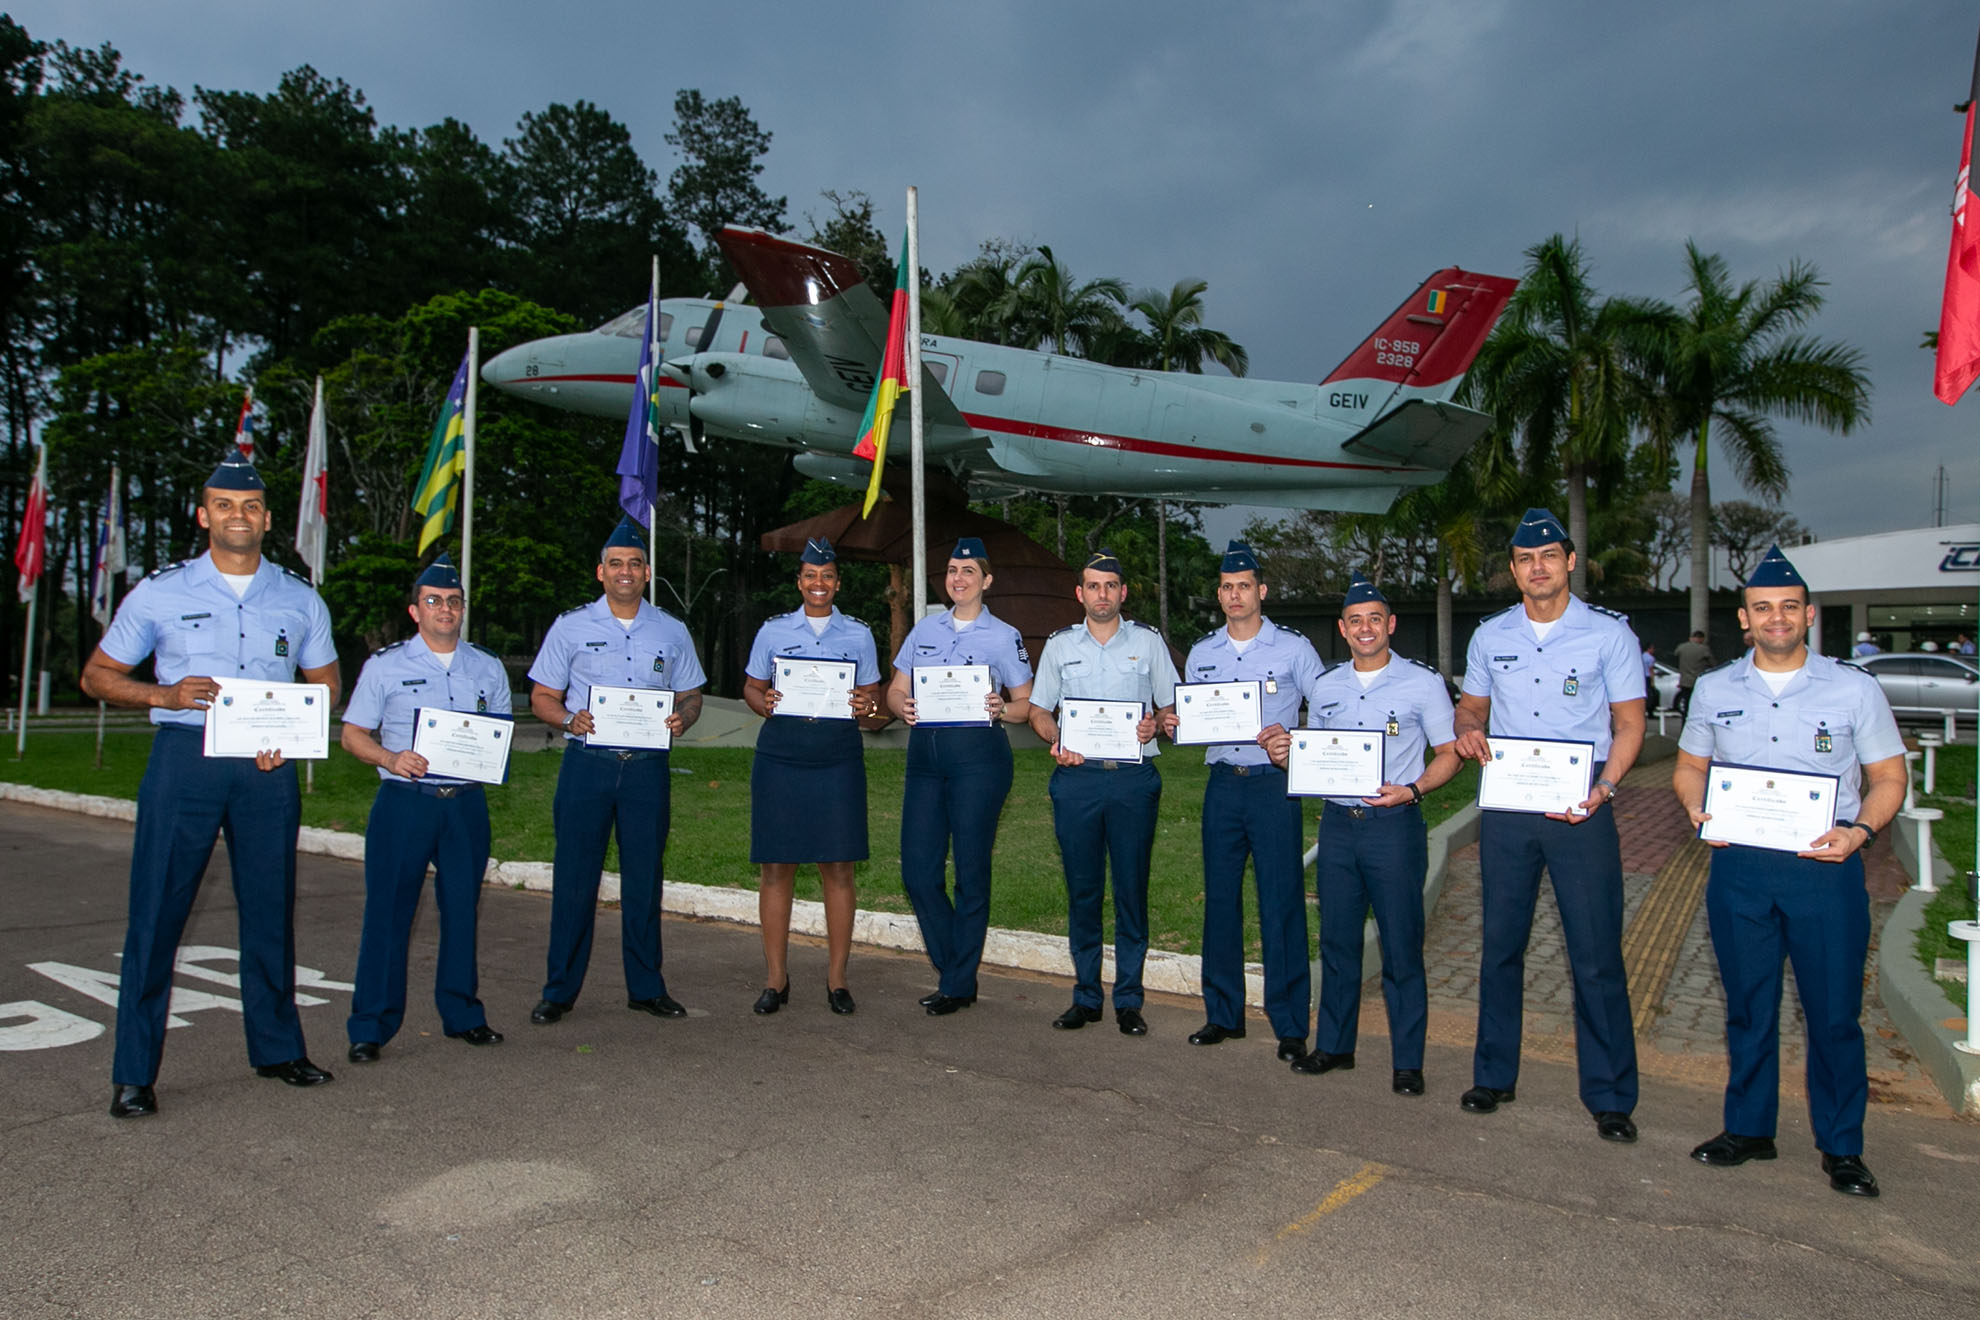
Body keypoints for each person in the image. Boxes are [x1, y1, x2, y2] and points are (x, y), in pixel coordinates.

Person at [81, 451, 342, 1119]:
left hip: (266, 768)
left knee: (269, 912)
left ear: (267, 519)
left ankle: (278, 1049)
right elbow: (97, 676)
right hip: (184, 761)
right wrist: (163, 692)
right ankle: (134, 1074)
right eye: (224, 505)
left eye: (250, 506)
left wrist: (298, 732)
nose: (238, 516)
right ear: (204, 515)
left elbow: (327, 684)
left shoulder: (298, 596)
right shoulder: (161, 592)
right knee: (156, 917)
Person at [1673, 545, 1905, 1198]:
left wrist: (1860, 832)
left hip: (1824, 873)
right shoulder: (1717, 689)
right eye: (1762, 608)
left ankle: (1843, 1147)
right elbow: (1690, 765)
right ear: (1745, 620)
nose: (1776, 618)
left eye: (1789, 607)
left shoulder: (1853, 688)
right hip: (1739, 870)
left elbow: (1889, 777)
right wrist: (1697, 808)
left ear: (1808, 615)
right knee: (1748, 1008)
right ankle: (1748, 1129)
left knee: (1833, 1014)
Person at [1452, 508, 1645, 1143]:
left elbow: (1628, 723)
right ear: (1514, 570)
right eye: (1526, 560)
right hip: (1508, 810)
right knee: (1501, 946)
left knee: (1594, 953)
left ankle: (1611, 1096)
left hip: (1579, 809)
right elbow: (1471, 709)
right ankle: (1493, 1074)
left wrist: (1607, 787)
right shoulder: (1490, 636)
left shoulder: (1607, 635)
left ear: (1568, 562)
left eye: (1550, 557)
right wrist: (1468, 731)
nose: (1539, 568)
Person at [1265, 572, 1460, 1095]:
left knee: (1401, 945)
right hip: (1338, 828)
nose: (1366, 628)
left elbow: (1450, 755)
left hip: (1393, 828)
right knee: (1337, 941)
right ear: (1343, 629)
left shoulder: (1422, 683)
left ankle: (1408, 1062)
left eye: (1375, 618)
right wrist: (1284, 754)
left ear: (1390, 624)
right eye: (1356, 621)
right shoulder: (1326, 687)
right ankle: (1334, 1046)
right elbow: (1316, 759)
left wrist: (1414, 791)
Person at [526, 518, 705, 1026]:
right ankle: (558, 991)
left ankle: (646, 987)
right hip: (588, 766)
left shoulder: (671, 630)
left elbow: (690, 695)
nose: (625, 571)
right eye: (615, 564)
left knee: (644, 881)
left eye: (634, 563)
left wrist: (682, 719)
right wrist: (567, 718)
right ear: (600, 572)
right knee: (575, 881)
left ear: (647, 572)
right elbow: (543, 695)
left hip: (647, 770)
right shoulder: (571, 627)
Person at [340, 555, 512, 1063]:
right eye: (434, 601)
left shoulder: (487, 666)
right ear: (416, 610)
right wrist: (391, 757)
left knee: (462, 912)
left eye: (454, 601)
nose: (445, 609)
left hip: (463, 805)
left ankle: (463, 1015)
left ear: (463, 609)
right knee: (388, 916)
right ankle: (370, 1026)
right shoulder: (386, 665)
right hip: (404, 803)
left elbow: (495, 734)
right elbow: (352, 735)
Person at [1160, 541, 1324, 1060]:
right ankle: (1223, 1014)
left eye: (1244, 586)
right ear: (1220, 594)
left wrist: (1293, 740)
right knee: (1221, 901)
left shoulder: (1294, 649)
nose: (1235, 595)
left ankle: (1290, 1022)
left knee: (1281, 902)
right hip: (1223, 786)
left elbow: (1325, 713)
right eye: (1227, 587)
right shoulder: (1205, 652)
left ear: (1262, 591)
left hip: (1273, 785)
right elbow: (1191, 716)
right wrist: (1173, 722)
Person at [1026, 548, 1179, 1036]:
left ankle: (1129, 1000)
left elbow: (1172, 707)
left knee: (1131, 890)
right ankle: (1087, 996)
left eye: (1110, 586)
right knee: (1084, 889)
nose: (1102, 594)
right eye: (1093, 586)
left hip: (1133, 781)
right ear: (1080, 594)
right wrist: (1057, 739)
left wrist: (1158, 723)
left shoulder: (1149, 643)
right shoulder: (1059, 646)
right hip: (1077, 781)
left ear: (1123, 593)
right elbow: (1038, 711)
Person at [883, 537, 1034, 1015]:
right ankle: (957, 969)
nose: (958, 579)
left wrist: (1002, 708)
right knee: (918, 871)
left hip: (979, 760)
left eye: (968, 571)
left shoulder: (1004, 636)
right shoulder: (924, 630)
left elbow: (1027, 702)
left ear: (986, 581)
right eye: (951, 570)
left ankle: (956, 981)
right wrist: (898, 705)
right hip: (926, 757)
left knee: (970, 870)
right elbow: (895, 689)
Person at [740, 537, 889, 1015]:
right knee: (776, 867)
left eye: (826, 575)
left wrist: (868, 707)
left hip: (836, 759)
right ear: (799, 581)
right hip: (782, 756)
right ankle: (775, 979)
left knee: (838, 867)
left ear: (837, 582)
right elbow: (752, 686)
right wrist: (761, 702)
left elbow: (871, 700)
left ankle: (837, 980)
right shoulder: (772, 631)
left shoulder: (858, 635)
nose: (818, 583)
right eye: (810, 575)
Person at [1673, 629, 1714, 719]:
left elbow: (1675, 654)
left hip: (1684, 681)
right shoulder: (1704, 649)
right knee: (1698, 706)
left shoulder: (1682, 647)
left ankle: (1684, 725)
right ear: (1701, 638)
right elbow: (1713, 664)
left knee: (1686, 705)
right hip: (1698, 681)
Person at [1641, 642, 1658, 716]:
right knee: (1651, 694)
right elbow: (1651, 670)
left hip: (1641, 677)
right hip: (1647, 677)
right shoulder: (1651, 658)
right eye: (1652, 648)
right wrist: (1652, 681)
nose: (1653, 650)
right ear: (1649, 648)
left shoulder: (1641, 656)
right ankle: (1650, 711)